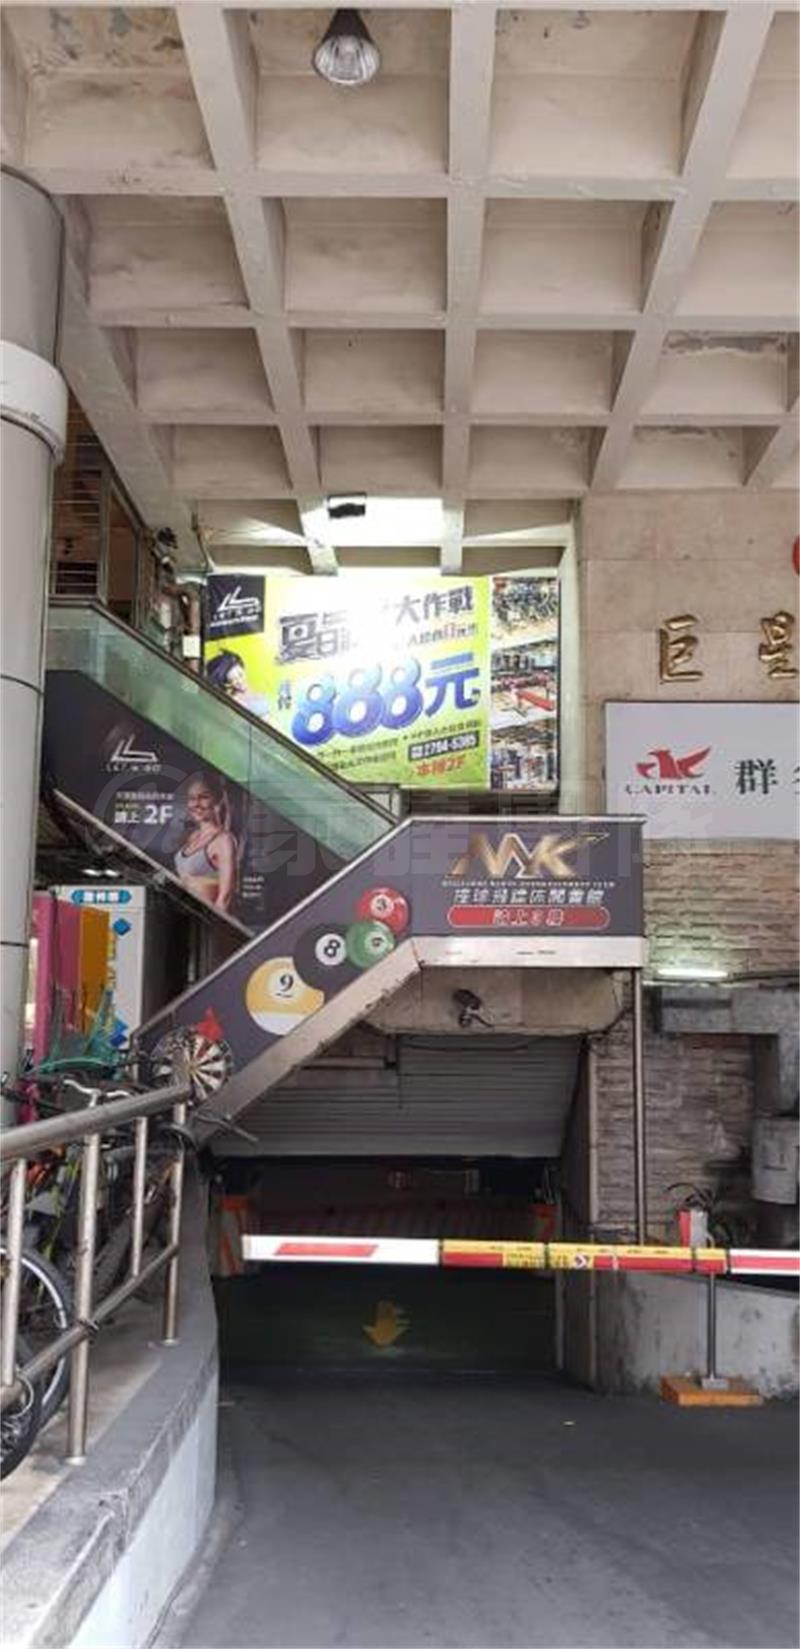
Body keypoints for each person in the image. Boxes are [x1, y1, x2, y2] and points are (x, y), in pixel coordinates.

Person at [174, 773, 237, 912]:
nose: (196, 803)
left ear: (217, 800)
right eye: (192, 798)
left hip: (204, 917)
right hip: (182, 914)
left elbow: (226, 896)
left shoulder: (224, 840)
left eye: (204, 797)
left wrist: (214, 922)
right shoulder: (193, 836)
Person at [205, 650, 269, 718]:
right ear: (228, 683)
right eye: (233, 680)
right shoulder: (236, 702)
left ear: (243, 670)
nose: (240, 681)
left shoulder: (257, 691)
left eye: (240, 674)